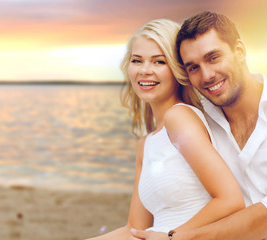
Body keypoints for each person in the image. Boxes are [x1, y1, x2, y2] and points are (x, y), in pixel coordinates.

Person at [86, 18, 244, 240]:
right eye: (137, 60)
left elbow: (230, 200)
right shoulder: (146, 144)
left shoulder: (179, 118)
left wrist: (171, 236)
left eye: (159, 62)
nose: (145, 70)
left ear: (177, 69)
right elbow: (134, 229)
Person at [164, 11, 267, 239]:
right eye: (193, 67)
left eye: (213, 58)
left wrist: (179, 238)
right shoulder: (199, 124)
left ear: (240, 51)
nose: (206, 75)